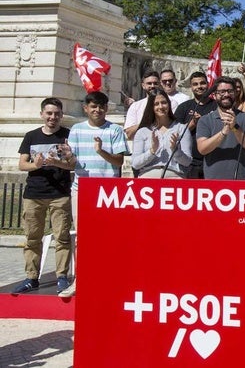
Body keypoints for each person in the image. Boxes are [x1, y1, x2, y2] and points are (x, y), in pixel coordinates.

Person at [62, 91, 129, 297]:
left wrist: (101, 151)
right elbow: (72, 163)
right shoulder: (76, 130)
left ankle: (110, 279)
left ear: (106, 109)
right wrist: (66, 157)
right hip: (82, 190)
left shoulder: (115, 130)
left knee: (109, 237)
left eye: (101, 106)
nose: (97, 110)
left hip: (109, 192)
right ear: (86, 108)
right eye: (93, 106)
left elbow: (119, 162)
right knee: (82, 238)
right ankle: (79, 281)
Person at [13, 98, 76, 294]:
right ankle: (32, 277)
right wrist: (36, 166)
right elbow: (22, 164)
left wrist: (57, 164)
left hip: (60, 193)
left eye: (56, 113)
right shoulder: (31, 136)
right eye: (49, 113)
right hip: (34, 194)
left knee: (62, 238)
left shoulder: (68, 135)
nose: (52, 117)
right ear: (42, 114)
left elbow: (73, 164)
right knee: (32, 238)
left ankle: (62, 277)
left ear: (61, 115)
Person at [196, 77, 245, 180]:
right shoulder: (205, 120)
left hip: (242, 181)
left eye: (230, 91)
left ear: (235, 93)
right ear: (215, 95)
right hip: (213, 181)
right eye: (222, 92)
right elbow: (202, 149)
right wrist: (223, 133)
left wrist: (234, 128)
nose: (226, 95)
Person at [131, 89, 192, 178]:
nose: (161, 106)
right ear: (151, 107)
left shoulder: (181, 129)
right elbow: (135, 164)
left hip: (174, 177)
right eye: (156, 104)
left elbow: (187, 162)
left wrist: (176, 151)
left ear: (169, 104)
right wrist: (152, 151)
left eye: (164, 102)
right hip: (148, 177)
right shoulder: (143, 132)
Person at [174, 72, 218, 179]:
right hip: (189, 162)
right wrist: (192, 124)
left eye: (202, 83)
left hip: (213, 160)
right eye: (195, 84)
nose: (199, 86)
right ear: (191, 87)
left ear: (208, 84)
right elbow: (174, 134)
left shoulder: (218, 106)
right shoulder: (183, 107)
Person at [124, 70, 161, 139]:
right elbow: (129, 134)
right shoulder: (135, 106)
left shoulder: (171, 103)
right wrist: (146, 121)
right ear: (143, 86)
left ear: (160, 84)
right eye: (149, 83)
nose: (152, 86)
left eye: (155, 83)